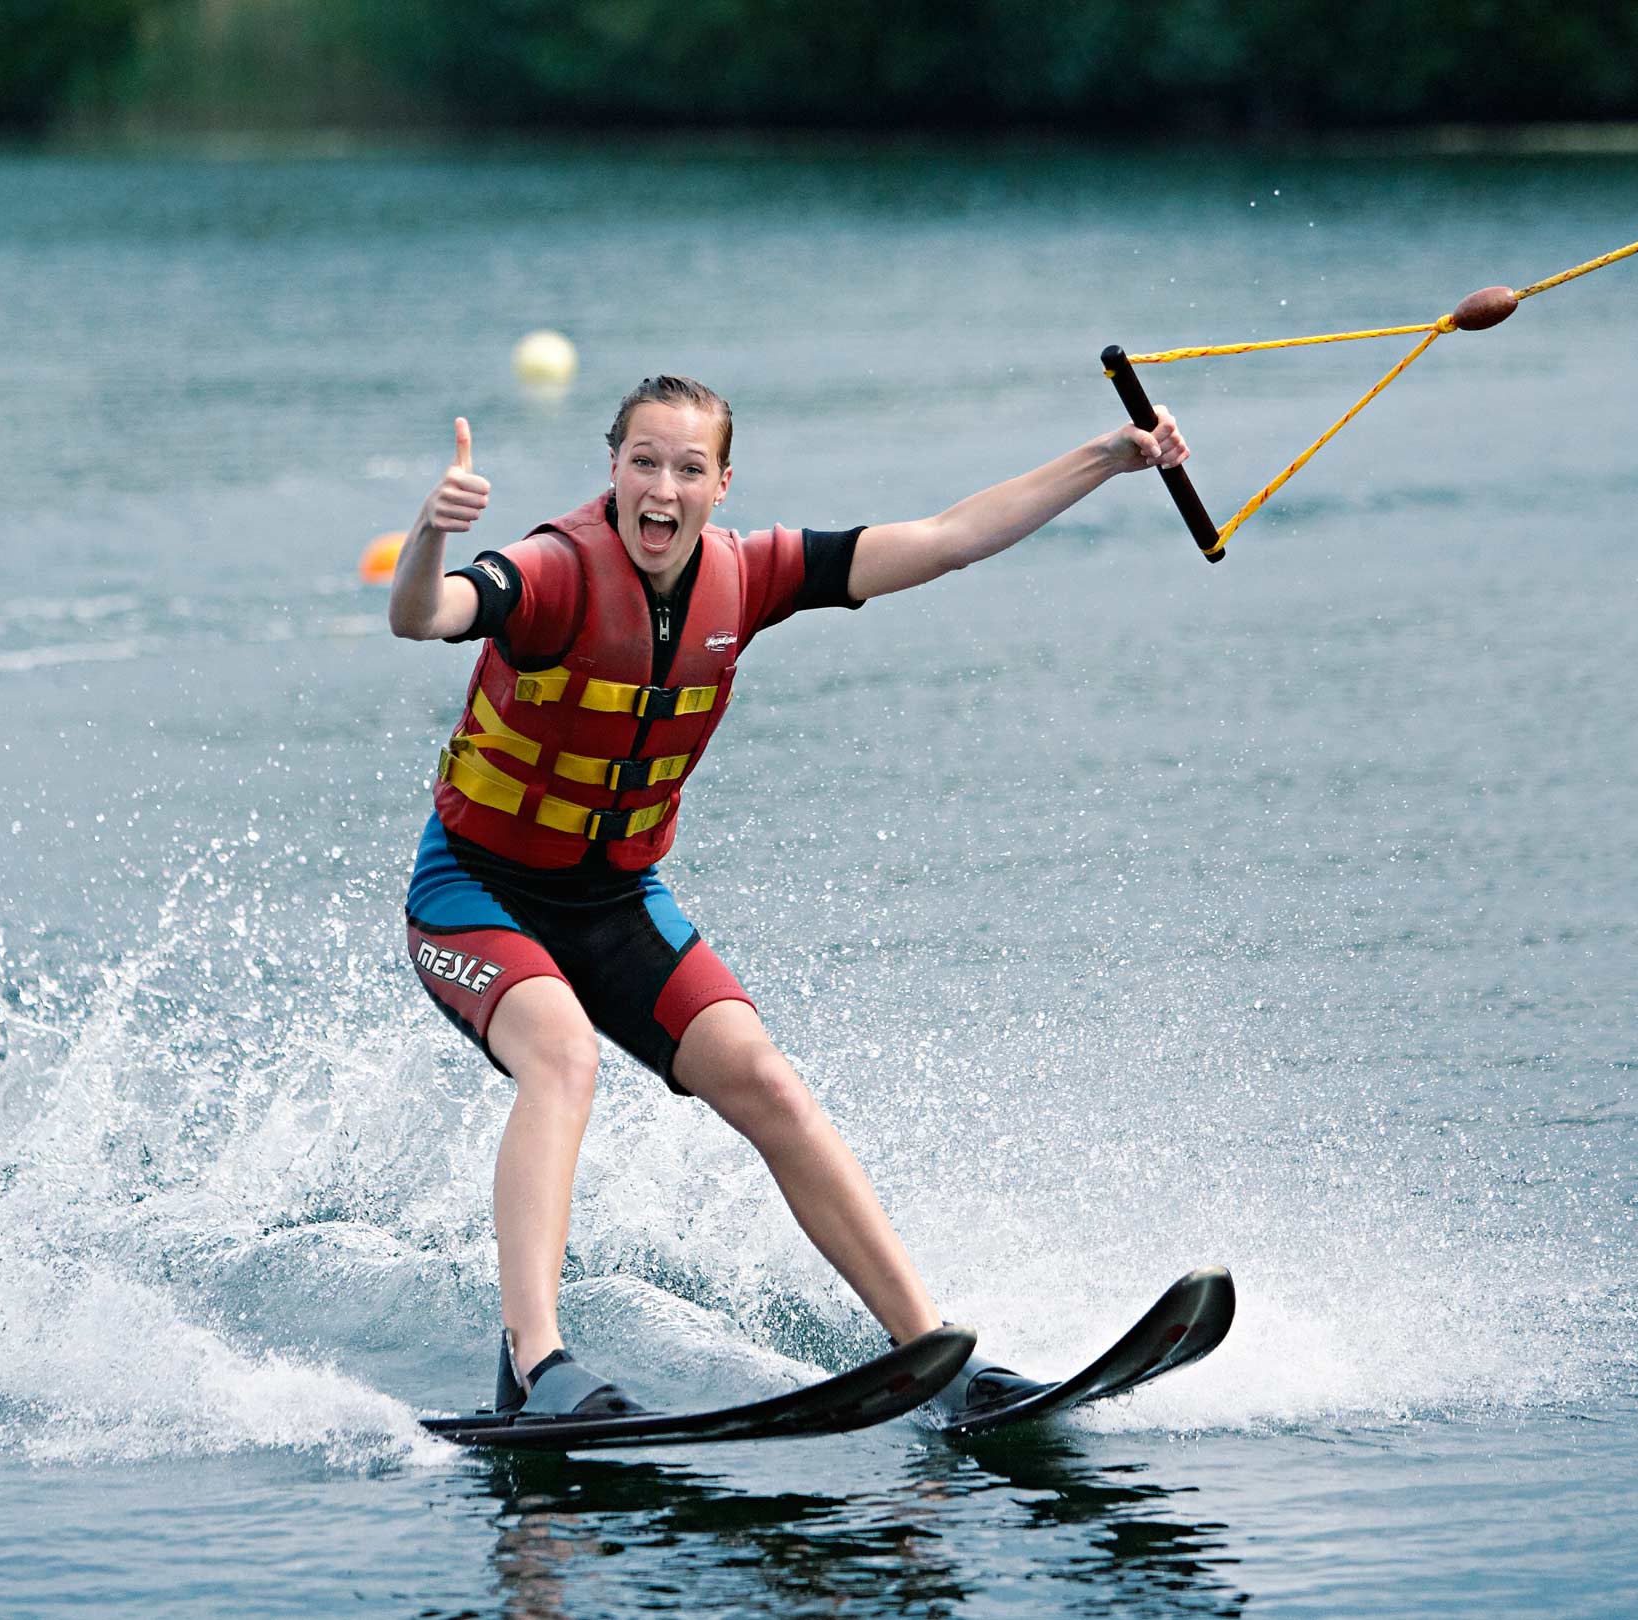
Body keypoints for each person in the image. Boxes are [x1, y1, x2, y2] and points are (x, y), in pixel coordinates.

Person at [389, 375, 1188, 1420]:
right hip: (476, 891)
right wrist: (427, 535)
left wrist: (1107, 458)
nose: (662, 487)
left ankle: (941, 1360)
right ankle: (538, 1368)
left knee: (765, 1079)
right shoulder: (554, 573)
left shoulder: (751, 574)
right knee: (564, 1054)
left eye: (688, 467)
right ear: (613, 470)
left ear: (722, 484)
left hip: (615, 898)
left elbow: (948, 537)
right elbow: (425, 615)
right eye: (642, 461)